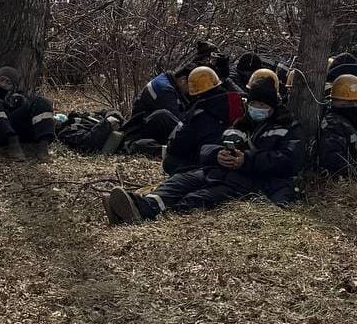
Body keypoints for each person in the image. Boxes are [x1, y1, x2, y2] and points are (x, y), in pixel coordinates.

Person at [104, 74, 301, 222]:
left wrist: (245, 160)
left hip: (245, 181)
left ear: (273, 106)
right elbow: (207, 148)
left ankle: (142, 215)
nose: (257, 108)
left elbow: (288, 162)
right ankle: (142, 205)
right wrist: (218, 155)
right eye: (254, 103)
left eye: (263, 104)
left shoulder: (287, 127)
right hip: (215, 170)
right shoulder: (241, 123)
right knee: (178, 181)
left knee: (195, 199)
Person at [161, 66, 240, 175]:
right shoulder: (234, 102)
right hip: (235, 157)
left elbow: (178, 146)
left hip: (211, 159)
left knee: (170, 162)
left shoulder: (200, 113)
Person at [313, 74, 357, 177]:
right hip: (356, 180)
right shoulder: (334, 125)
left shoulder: (354, 119)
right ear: (355, 103)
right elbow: (335, 162)